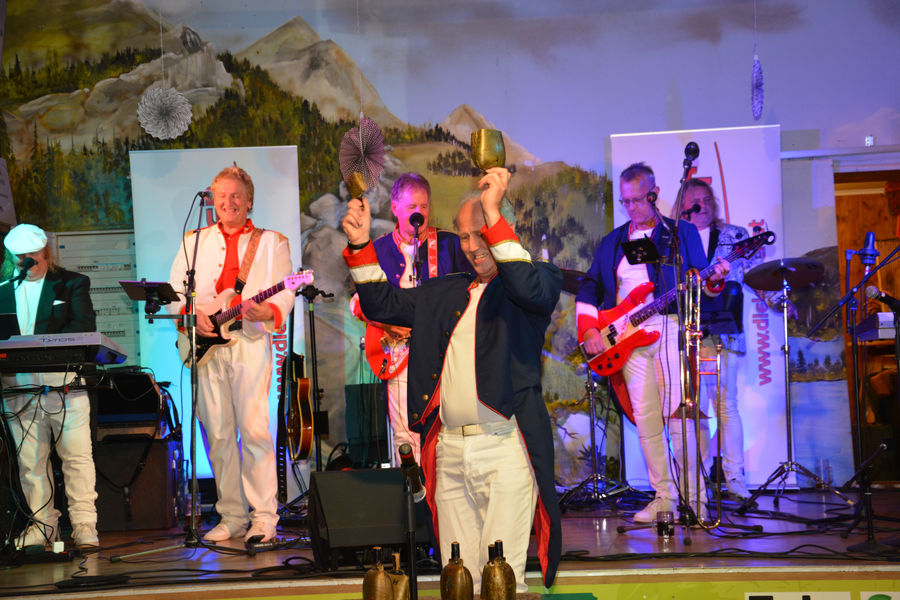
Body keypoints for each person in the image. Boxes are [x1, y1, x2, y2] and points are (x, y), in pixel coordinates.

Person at [342, 167, 562, 591]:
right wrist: (360, 244)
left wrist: (492, 209)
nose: (473, 246)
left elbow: (526, 285)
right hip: (450, 453)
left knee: (500, 583)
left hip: (505, 449)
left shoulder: (536, 281)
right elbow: (382, 304)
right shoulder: (446, 291)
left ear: (502, 227)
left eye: (482, 232)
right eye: (463, 236)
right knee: (458, 583)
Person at [575, 163, 729, 523]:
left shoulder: (681, 233)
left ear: (654, 195)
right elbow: (590, 285)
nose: (631, 207)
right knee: (646, 422)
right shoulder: (613, 242)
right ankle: (664, 498)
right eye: (625, 201)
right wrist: (590, 330)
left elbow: (701, 281)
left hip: (670, 327)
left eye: (637, 200)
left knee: (680, 419)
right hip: (627, 338)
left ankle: (696, 499)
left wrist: (715, 279)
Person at [167, 165, 295, 543]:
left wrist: (267, 310)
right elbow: (175, 291)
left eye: (236, 195)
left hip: (249, 343)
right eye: (221, 196)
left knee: (255, 431)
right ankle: (232, 515)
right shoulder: (194, 241)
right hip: (207, 348)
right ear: (212, 200)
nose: (229, 202)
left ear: (249, 200)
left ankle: (264, 518)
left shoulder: (271, 242)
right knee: (218, 434)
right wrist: (190, 314)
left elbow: (286, 292)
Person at [350, 172, 472, 465]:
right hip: (398, 355)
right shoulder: (378, 249)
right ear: (395, 208)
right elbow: (357, 303)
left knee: (446, 431)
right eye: (411, 207)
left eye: (424, 206)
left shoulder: (449, 245)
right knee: (405, 434)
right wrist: (386, 324)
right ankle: (413, 489)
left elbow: (468, 293)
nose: (419, 213)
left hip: (443, 356)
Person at [0, 223, 99, 550]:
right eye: (20, 257)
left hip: (64, 386)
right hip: (18, 388)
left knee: (76, 457)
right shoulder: (3, 290)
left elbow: (83, 326)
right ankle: (43, 526)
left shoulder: (71, 283)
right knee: (31, 464)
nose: (27, 262)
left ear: (46, 252)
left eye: (33, 255)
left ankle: (84, 525)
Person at [673, 178, 759, 501]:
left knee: (726, 405)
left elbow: (755, 273)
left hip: (725, 332)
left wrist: (778, 298)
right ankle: (697, 481)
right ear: (683, 206)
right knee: (694, 409)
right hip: (689, 334)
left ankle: (735, 477)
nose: (704, 204)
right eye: (697, 199)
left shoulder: (734, 236)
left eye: (708, 198)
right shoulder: (675, 240)